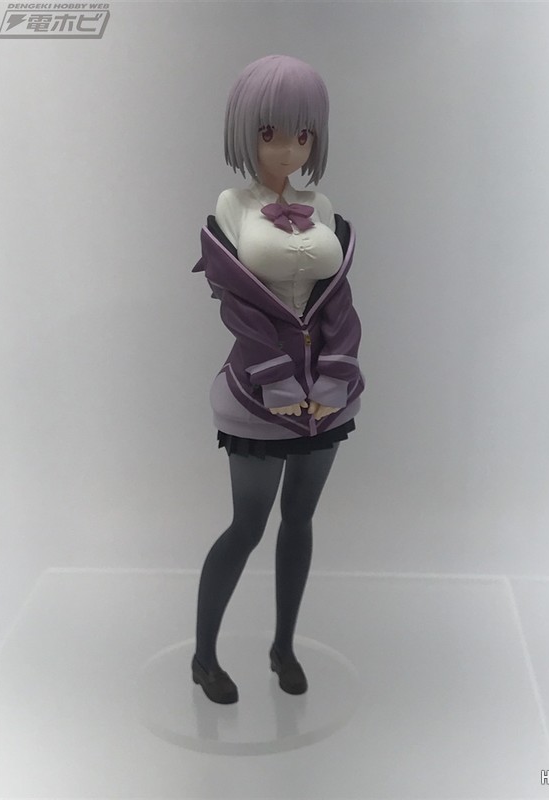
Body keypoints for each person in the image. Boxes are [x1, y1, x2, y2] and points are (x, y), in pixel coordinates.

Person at [190, 54, 365, 703]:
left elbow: (339, 303)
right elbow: (241, 307)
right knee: (247, 525)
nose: (288, 149)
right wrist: (279, 383)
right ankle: (204, 657)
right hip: (260, 394)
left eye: (302, 134)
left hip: (324, 398)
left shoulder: (322, 205)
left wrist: (336, 375)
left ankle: (283, 646)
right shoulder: (231, 205)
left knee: (300, 519)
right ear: (247, 133)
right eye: (271, 134)